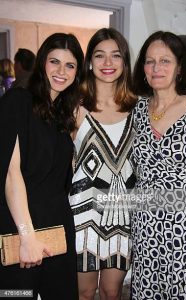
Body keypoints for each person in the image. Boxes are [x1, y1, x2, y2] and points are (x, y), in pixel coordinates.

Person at [0, 32, 84, 300]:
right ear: (42, 64)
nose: (61, 71)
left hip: (58, 225)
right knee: (16, 294)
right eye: (54, 62)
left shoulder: (63, 113)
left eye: (70, 65)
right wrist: (27, 237)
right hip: (20, 225)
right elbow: (11, 175)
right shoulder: (18, 101)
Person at [131, 30, 186, 299]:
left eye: (165, 61)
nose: (156, 68)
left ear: (179, 66)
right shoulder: (137, 112)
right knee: (146, 292)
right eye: (149, 61)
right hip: (145, 225)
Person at [69, 27, 137, 300]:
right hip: (81, 218)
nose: (108, 63)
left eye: (115, 56)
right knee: (84, 293)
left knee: (112, 292)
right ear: (89, 62)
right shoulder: (74, 106)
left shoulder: (139, 108)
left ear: (125, 62)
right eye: (100, 56)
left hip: (124, 217)